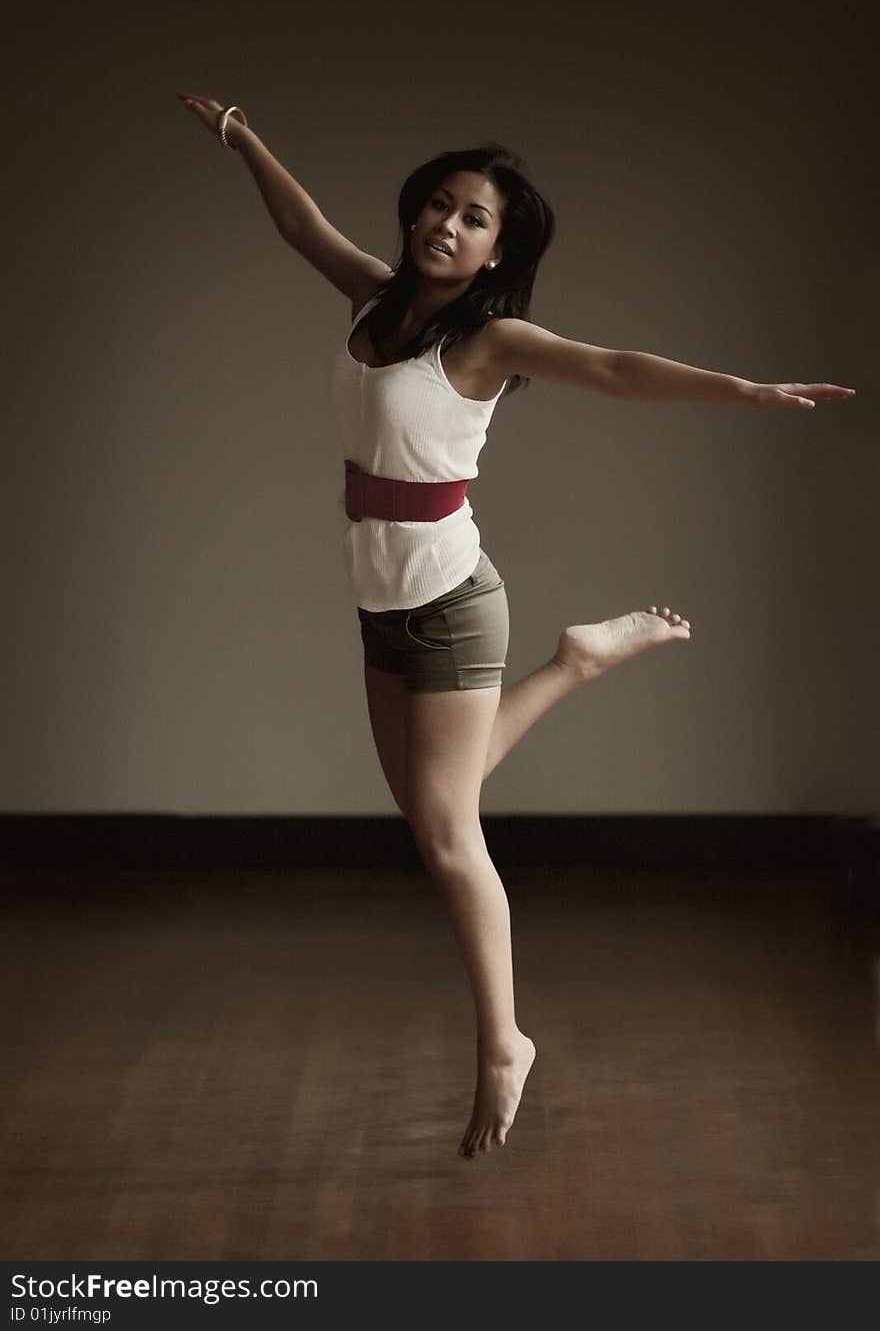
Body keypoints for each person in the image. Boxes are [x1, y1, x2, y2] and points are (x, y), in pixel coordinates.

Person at [177, 92, 857, 1161]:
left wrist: (746, 391)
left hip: (450, 601)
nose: (446, 225)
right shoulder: (373, 299)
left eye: (474, 217)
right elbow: (304, 226)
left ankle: (503, 1042)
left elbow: (616, 368)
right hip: (377, 597)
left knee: (452, 837)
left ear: (500, 247)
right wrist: (240, 135)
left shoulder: (487, 337)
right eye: (438, 205)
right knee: (436, 808)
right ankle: (579, 659)